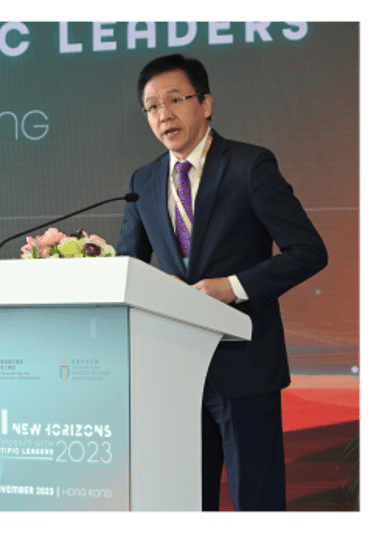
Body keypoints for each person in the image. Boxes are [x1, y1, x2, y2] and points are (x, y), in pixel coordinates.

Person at [116, 54, 328, 512]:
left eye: (175, 100)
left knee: (257, 504)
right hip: (175, 372)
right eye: (152, 106)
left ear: (205, 103)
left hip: (245, 367)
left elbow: (309, 252)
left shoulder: (250, 166)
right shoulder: (144, 181)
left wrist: (232, 286)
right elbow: (127, 269)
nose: (163, 115)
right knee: (188, 503)